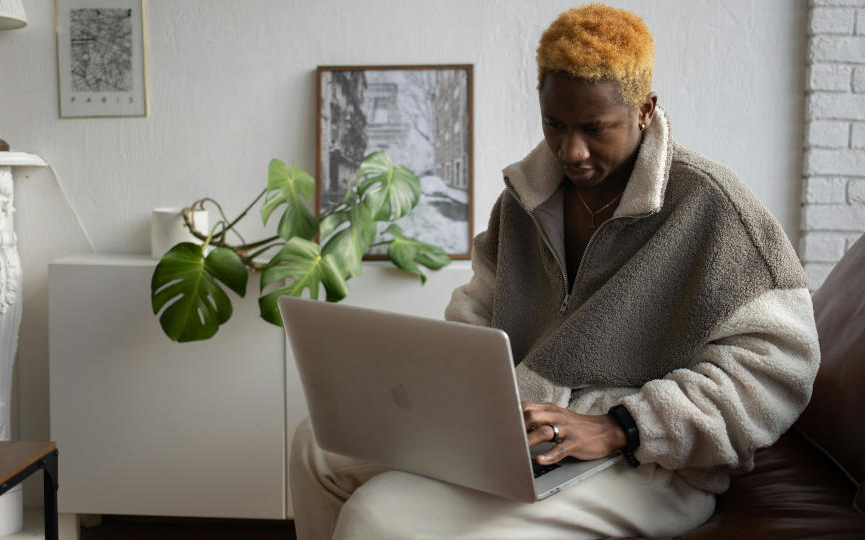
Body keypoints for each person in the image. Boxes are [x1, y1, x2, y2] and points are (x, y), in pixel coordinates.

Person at [289, 4, 820, 539]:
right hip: (522, 427)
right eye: (555, 124)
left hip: (652, 464)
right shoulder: (522, 203)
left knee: (377, 515)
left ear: (644, 109)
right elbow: (476, 311)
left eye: (595, 128)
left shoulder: (713, 208)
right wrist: (457, 400)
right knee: (316, 444)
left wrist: (622, 426)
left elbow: (778, 368)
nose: (572, 150)